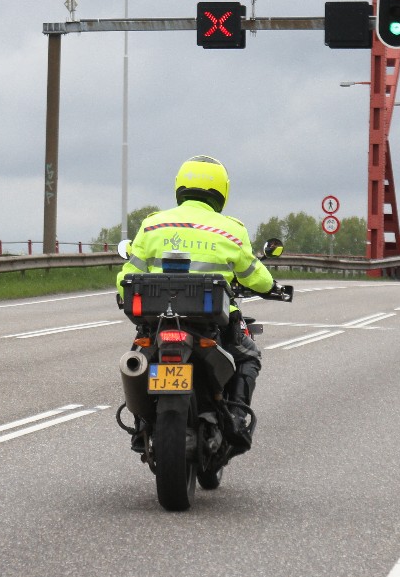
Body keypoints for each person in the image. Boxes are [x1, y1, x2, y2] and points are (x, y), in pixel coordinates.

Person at [116, 155, 280, 454]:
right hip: (212, 321)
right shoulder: (231, 229)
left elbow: (127, 275)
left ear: (180, 186)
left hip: (158, 318)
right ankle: (236, 419)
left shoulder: (152, 225)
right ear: (222, 190)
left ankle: (141, 424)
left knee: (137, 357)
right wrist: (273, 288)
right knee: (247, 357)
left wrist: (122, 293)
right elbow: (254, 275)